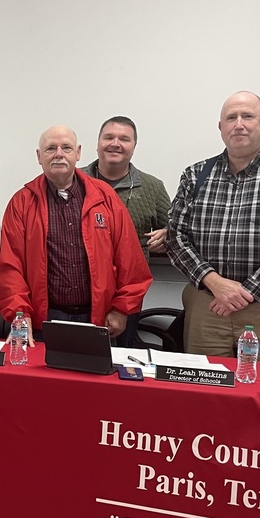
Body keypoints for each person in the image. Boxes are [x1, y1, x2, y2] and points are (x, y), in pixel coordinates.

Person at [166, 91, 260, 364]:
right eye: (231, 118)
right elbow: (176, 237)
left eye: (247, 116)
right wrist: (214, 282)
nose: (239, 124)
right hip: (208, 305)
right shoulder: (195, 175)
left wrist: (248, 291)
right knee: (206, 384)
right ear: (220, 127)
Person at [0, 125, 152, 344]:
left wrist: (121, 310)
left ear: (78, 153)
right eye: (51, 148)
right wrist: (20, 314)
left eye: (66, 148)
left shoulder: (105, 198)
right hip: (42, 322)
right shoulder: (22, 203)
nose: (58, 154)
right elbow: (10, 267)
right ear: (39, 157)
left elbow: (130, 259)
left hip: (98, 320)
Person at [80, 116, 171, 346]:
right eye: (108, 137)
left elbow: (174, 227)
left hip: (127, 294)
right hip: (79, 290)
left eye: (124, 139)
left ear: (134, 146)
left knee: (122, 356)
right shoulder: (75, 181)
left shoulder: (152, 187)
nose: (115, 144)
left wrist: (167, 234)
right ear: (98, 143)